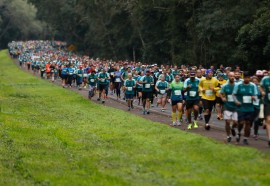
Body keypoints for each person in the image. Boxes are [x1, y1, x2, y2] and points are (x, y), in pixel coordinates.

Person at [233, 71, 257, 145]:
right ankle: (239, 132)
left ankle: (245, 138)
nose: (247, 79)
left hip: (250, 108)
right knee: (241, 122)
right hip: (241, 107)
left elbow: (255, 95)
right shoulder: (238, 85)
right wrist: (236, 101)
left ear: (250, 78)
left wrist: (254, 97)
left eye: (248, 78)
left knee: (248, 123)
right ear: (243, 78)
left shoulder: (253, 85)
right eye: (245, 78)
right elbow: (234, 94)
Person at [220, 72, 238, 143]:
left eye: (233, 76)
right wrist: (223, 98)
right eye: (230, 76)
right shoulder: (225, 86)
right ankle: (228, 136)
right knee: (227, 121)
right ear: (228, 77)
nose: (232, 77)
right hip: (227, 105)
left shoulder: (237, 86)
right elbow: (221, 93)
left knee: (236, 122)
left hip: (235, 106)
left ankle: (232, 128)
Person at [260, 71, 270, 146]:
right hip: (267, 102)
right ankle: (269, 138)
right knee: (268, 120)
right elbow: (260, 86)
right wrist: (262, 92)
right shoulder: (265, 79)